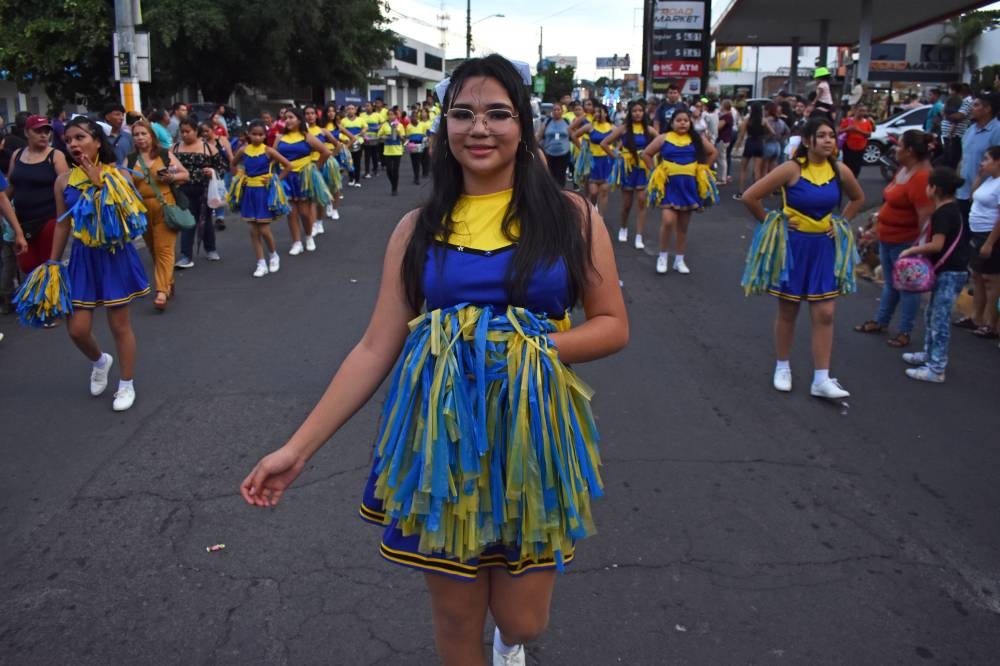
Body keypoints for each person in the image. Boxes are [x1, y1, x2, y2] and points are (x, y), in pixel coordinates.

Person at [239, 54, 628, 666]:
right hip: (440, 445)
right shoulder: (416, 229)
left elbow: (612, 327)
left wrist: (523, 346)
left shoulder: (572, 215)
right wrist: (297, 448)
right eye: (463, 113)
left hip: (533, 439)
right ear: (443, 126)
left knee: (524, 621)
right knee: (453, 619)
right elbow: (375, 347)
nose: (480, 128)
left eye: (498, 113)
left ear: (523, 125)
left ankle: (510, 642)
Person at [741, 117, 865, 397]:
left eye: (831, 135)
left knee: (825, 312)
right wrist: (774, 222)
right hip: (794, 247)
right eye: (821, 135)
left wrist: (841, 223)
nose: (828, 140)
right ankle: (782, 366)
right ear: (808, 140)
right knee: (789, 309)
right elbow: (751, 196)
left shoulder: (839, 170)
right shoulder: (791, 169)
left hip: (824, 247)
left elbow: (858, 198)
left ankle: (822, 378)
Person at [48, 116, 150, 411]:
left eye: (80, 137)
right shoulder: (63, 180)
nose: (73, 144)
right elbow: (62, 224)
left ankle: (126, 384)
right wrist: (52, 264)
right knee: (76, 329)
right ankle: (100, 361)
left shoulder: (119, 175)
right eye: (68, 140)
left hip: (114, 256)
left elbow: (131, 222)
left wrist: (98, 184)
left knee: (120, 325)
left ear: (96, 140)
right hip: (82, 258)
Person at [854, 130, 935, 347]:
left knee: (908, 288)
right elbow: (890, 201)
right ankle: (881, 321)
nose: (895, 150)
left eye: (899, 146)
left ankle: (905, 331)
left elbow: (925, 216)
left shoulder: (922, 177)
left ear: (910, 151)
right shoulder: (904, 170)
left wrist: (919, 247)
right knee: (890, 283)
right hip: (888, 238)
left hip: (906, 242)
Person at [897, 167, 971, 382]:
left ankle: (937, 367)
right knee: (932, 314)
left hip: (950, 272)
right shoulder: (951, 209)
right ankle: (930, 354)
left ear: (935, 188)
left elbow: (937, 245)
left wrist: (911, 251)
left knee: (939, 319)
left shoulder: (942, 213)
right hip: (950, 270)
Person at [642, 107, 718, 274]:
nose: (683, 123)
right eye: (679, 120)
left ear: (690, 123)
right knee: (668, 221)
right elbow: (646, 154)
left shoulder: (696, 139)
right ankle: (662, 257)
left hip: (689, 186)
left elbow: (713, 152)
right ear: (672, 123)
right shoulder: (664, 138)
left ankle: (679, 259)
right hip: (669, 185)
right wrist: (656, 172)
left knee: (683, 226)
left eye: (686, 120)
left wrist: (703, 169)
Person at [127, 119, 190, 311]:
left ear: (151, 136)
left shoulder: (164, 154)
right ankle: (168, 281)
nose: (140, 138)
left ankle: (161, 291)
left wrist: (171, 177)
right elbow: (123, 183)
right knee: (154, 249)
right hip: (142, 209)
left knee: (164, 249)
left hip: (165, 204)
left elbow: (185, 174)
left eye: (143, 134)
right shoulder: (130, 159)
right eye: (136, 134)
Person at [229, 120, 293, 277]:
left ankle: (273, 255)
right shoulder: (243, 150)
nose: (257, 137)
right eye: (254, 134)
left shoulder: (269, 151)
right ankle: (260, 262)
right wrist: (238, 178)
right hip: (249, 192)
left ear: (265, 136)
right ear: (248, 134)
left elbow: (288, 165)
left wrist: (275, 180)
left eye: (261, 135)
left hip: (264, 192)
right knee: (253, 230)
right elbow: (233, 164)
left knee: (264, 228)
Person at [7, 115, 69, 276]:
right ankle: (35, 300)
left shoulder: (55, 156)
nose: (44, 135)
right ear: (27, 133)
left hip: (49, 221)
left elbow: (66, 188)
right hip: (22, 223)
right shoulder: (17, 155)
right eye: (38, 131)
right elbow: (10, 186)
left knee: (47, 267)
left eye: (47, 131)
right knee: (27, 266)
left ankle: (50, 300)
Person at [953, 145, 1000, 338]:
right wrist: (980, 176)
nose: (982, 162)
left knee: (992, 281)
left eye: (987, 159)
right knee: (978, 277)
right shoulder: (990, 180)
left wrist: (990, 242)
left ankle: (990, 323)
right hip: (977, 233)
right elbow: (973, 196)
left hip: (989, 235)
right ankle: (976, 317)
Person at [600, 100, 657, 249]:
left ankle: (639, 235)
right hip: (628, 169)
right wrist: (617, 157)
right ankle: (623, 227)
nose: (637, 113)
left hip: (642, 169)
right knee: (626, 204)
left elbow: (662, 142)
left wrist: (651, 157)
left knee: (641, 202)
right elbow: (605, 143)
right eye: (634, 111)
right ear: (630, 113)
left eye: (640, 110)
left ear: (644, 113)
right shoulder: (624, 128)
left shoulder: (649, 130)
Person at [172, 119, 227, 269]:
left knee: (206, 219)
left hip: (204, 189)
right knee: (187, 222)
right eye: (182, 131)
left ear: (196, 131)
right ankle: (185, 255)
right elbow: (166, 166)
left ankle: (210, 248)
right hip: (182, 190)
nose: (184, 135)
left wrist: (212, 171)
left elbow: (222, 168)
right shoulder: (174, 148)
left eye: (188, 131)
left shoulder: (209, 148)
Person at [275, 108, 330, 254]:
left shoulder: (307, 136)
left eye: (291, 117)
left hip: (303, 178)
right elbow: (272, 157)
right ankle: (296, 242)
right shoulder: (279, 138)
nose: (287, 120)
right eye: (286, 118)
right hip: (286, 178)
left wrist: (315, 169)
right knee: (291, 212)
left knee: (305, 212)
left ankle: (308, 236)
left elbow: (326, 152)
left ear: (299, 120)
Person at [956, 92, 1000, 223]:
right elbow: (963, 158)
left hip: (984, 196)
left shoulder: (997, 131)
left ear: (987, 109)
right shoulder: (970, 130)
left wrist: (978, 187)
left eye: (976, 105)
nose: (971, 108)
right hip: (962, 192)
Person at [572, 103, 615, 215]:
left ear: (606, 113)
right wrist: (583, 150)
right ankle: (592, 210)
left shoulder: (613, 127)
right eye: (595, 112)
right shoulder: (590, 126)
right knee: (593, 192)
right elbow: (574, 135)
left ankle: (600, 218)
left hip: (607, 161)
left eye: (599, 111)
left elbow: (621, 141)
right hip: (593, 161)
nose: (597, 114)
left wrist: (615, 151)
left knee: (604, 191)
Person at [733, 103, 768, 200]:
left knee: (743, 168)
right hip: (759, 143)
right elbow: (772, 131)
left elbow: (742, 134)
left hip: (750, 142)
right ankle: (757, 194)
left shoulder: (748, 120)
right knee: (757, 170)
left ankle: (741, 192)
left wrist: (737, 146)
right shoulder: (763, 121)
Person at [537, 104, 571, 189]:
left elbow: (573, 135)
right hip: (549, 153)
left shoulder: (566, 122)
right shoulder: (547, 121)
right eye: (554, 110)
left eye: (558, 110)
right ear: (552, 111)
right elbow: (539, 136)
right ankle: (551, 194)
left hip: (563, 153)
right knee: (550, 175)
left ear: (562, 111)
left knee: (561, 175)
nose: (556, 112)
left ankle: (560, 194)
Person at [839, 104, 874, 177]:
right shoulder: (848, 121)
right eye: (860, 111)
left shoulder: (867, 122)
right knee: (847, 166)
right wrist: (847, 129)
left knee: (856, 168)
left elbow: (868, 134)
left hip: (861, 148)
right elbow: (839, 131)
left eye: (864, 111)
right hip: (848, 147)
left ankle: (853, 181)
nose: (862, 113)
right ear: (855, 111)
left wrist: (858, 131)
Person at [378, 108, 404, 195]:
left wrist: (398, 132)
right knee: (389, 170)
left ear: (396, 115)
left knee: (395, 170)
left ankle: (394, 188)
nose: (390, 116)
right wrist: (383, 137)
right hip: (387, 151)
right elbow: (379, 135)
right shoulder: (385, 125)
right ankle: (393, 184)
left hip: (397, 151)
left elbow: (403, 139)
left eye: (392, 114)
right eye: (389, 114)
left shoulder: (399, 125)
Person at [341, 104, 366, 187]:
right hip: (348, 143)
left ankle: (358, 180)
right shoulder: (343, 121)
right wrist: (345, 140)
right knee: (349, 162)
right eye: (349, 109)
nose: (350, 110)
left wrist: (363, 131)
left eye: (352, 109)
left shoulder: (360, 120)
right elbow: (340, 131)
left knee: (357, 162)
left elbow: (366, 127)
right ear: (346, 111)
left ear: (355, 110)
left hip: (358, 142)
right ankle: (351, 178)